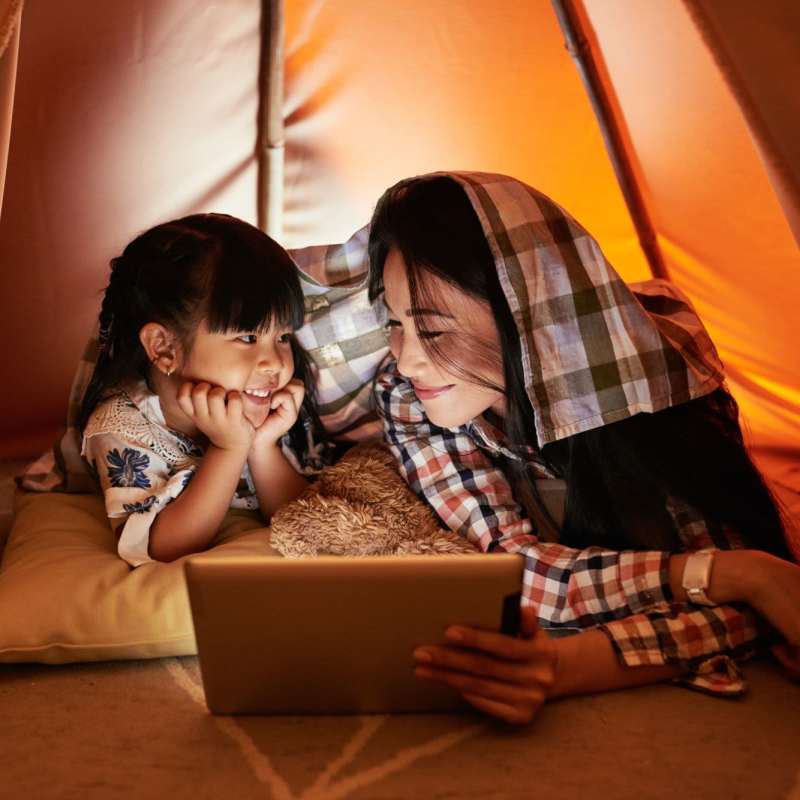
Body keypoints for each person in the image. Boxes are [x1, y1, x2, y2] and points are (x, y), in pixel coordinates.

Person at [368, 171, 800, 723]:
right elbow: (513, 568)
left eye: (431, 331)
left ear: (526, 319)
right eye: (393, 324)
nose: (406, 358)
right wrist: (736, 575)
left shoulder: (652, 383)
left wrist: (564, 664)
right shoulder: (406, 394)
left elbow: (767, 601)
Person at [79, 213, 326, 566]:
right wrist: (229, 449)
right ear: (164, 348)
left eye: (283, 337)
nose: (274, 363)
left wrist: (261, 446)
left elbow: (306, 521)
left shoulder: (270, 402)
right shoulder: (123, 426)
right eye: (247, 337)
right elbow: (162, 547)